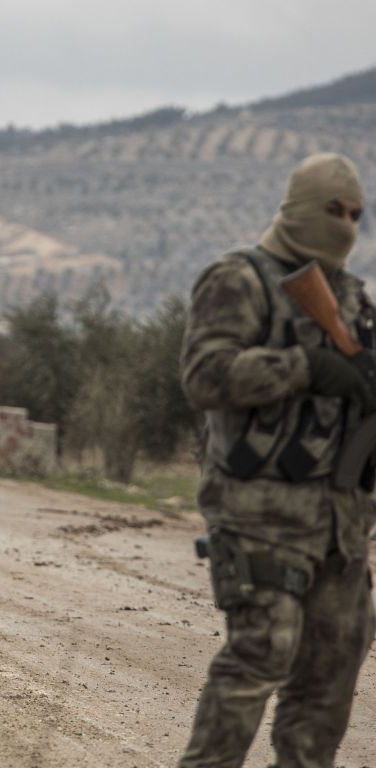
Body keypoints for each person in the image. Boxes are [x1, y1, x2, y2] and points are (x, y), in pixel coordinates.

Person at [178, 153, 376, 767]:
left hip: (341, 530)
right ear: (296, 208)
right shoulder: (241, 279)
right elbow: (203, 375)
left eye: (356, 215)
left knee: (327, 687)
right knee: (257, 660)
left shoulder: (353, 299)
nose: (345, 224)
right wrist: (302, 367)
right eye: (333, 211)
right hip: (259, 514)